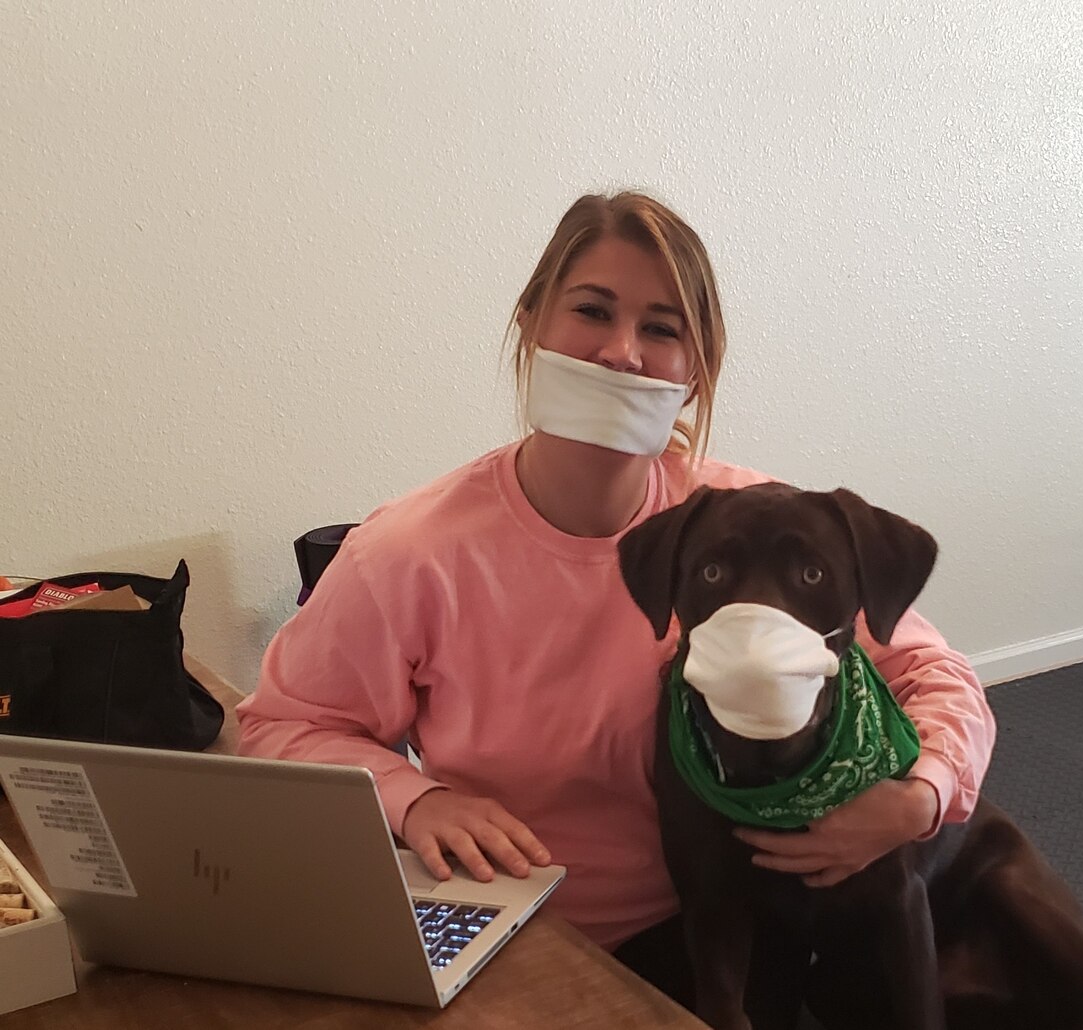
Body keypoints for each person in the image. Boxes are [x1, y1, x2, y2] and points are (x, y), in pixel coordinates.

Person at [235, 191, 996, 1000]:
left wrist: (923, 797)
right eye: (592, 311)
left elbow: (938, 675)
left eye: (662, 329)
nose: (622, 352)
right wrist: (414, 799)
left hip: (723, 925)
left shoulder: (748, 530)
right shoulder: (409, 553)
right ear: (531, 322)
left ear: (695, 372)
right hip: (513, 924)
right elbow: (284, 725)